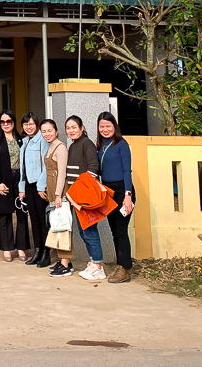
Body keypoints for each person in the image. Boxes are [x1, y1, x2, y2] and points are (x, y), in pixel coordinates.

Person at [65, 115, 106, 281]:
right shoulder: (73, 146)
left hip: (85, 197)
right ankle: (93, 262)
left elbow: (94, 167)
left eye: (74, 127)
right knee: (84, 232)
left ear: (82, 128)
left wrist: (82, 188)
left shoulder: (87, 144)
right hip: (76, 198)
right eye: (68, 128)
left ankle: (98, 266)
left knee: (90, 231)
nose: (71, 131)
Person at [97, 112, 135, 283]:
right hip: (108, 192)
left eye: (108, 126)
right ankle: (122, 264)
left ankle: (124, 269)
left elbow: (127, 171)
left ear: (114, 126)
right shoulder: (100, 145)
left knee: (121, 231)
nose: (105, 129)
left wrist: (128, 195)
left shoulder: (122, 145)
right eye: (102, 126)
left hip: (122, 191)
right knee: (114, 231)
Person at [0, 110, 29, 262]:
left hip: (20, 180)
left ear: (13, 122)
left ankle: (21, 247)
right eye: (2, 122)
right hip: (3, 181)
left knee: (21, 213)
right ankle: (7, 248)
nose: (6, 124)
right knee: (5, 215)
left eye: (9, 121)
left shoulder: (22, 139)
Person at [18, 112, 50, 267]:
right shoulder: (24, 142)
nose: (28, 127)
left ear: (36, 124)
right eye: (25, 124)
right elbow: (22, 168)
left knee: (44, 221)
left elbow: (46, 165)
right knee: (34, 220)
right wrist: (21, 187)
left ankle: (46, 253)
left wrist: (41, 186)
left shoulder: (43, 140)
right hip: (29, 186)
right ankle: (38, 250)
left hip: (40, 186)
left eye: (31, 124)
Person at [42, 119, 72, 277]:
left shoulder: (60, 148)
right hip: (53, 190)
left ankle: (65, 264)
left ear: (56, 131)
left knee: (63, 226)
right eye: (44, 131)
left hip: (60, 192)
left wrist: (59, 194)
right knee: (56, 225)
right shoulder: (50, 146)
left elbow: (62, 173)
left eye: (50, 130)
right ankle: (63, 261)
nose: (47, 134)